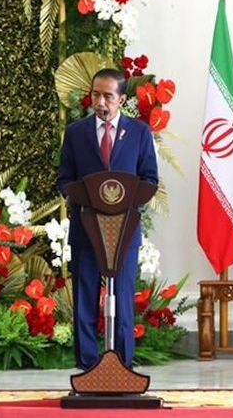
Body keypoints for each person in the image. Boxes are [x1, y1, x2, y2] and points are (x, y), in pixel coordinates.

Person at [56, 68, 158, 369]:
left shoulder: (139, 133)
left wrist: (126, 201)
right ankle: (88, 366)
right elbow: (65, 179)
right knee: (85, 298)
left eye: (108, 96)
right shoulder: (76, 133)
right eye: (96, 95)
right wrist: (82, 197)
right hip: (86, 230)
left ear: (122, 99)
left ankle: (123, 366)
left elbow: (149, 179)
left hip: (123, 231)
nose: (101, 102)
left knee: (124, 300)